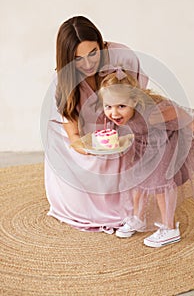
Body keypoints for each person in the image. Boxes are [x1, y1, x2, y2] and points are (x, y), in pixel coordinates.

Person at [43, 15, 148, 233]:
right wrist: (78, 143)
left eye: (93, 53)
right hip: (83, 131)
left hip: (120, 123)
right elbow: (69, 119)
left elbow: (137, 97)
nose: (88, 63)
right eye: (78, 59)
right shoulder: (62, 79)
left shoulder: (122, 57)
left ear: (101, 45)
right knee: (81, 166)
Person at [98, 69, 194, 247]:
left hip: (164, 144)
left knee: (160, 183)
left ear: (135, 102)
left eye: (121, 106)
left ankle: (170, 228)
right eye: (109, 106)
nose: (114, 113)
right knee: (138, 179)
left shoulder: (152, 112)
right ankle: (138, 217)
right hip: (144, 145)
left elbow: (180, 114)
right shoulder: (118, 116)